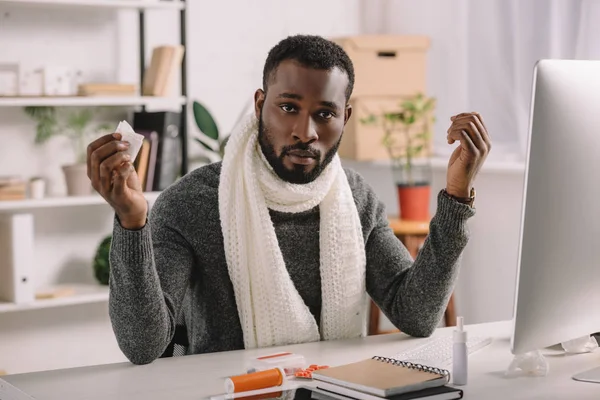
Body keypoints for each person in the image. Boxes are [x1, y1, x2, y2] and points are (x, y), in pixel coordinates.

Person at [87, 34, 491, 365]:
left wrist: (456, 197)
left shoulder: (356, 198)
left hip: (335, 389)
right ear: (261, 104)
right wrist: (131, 220)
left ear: (345, 118)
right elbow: (143, 346)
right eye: (288, 107)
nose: (305, 131)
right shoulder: (192, 203)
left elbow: (417, 315)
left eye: (324, 114)